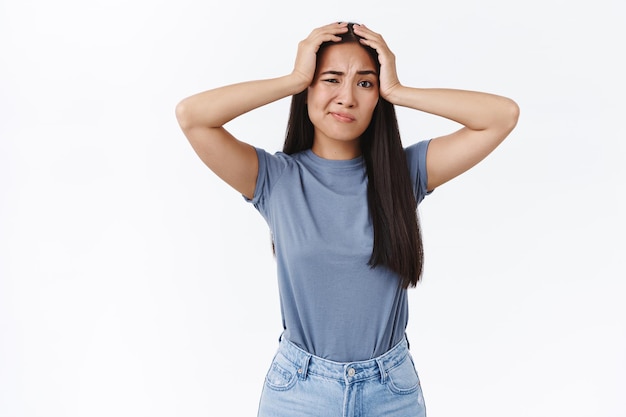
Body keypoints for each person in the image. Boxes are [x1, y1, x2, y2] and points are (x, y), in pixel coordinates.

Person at [175, 21, 519, 417]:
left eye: (365, 83)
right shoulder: (274, 178)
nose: (347, 97)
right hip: (299, 391)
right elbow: (192, 116)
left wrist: (399, 91)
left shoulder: (404, 175)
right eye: (331, 79)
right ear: (308, 90)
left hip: (391, 390)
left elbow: (501, 115)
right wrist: (294, 78)